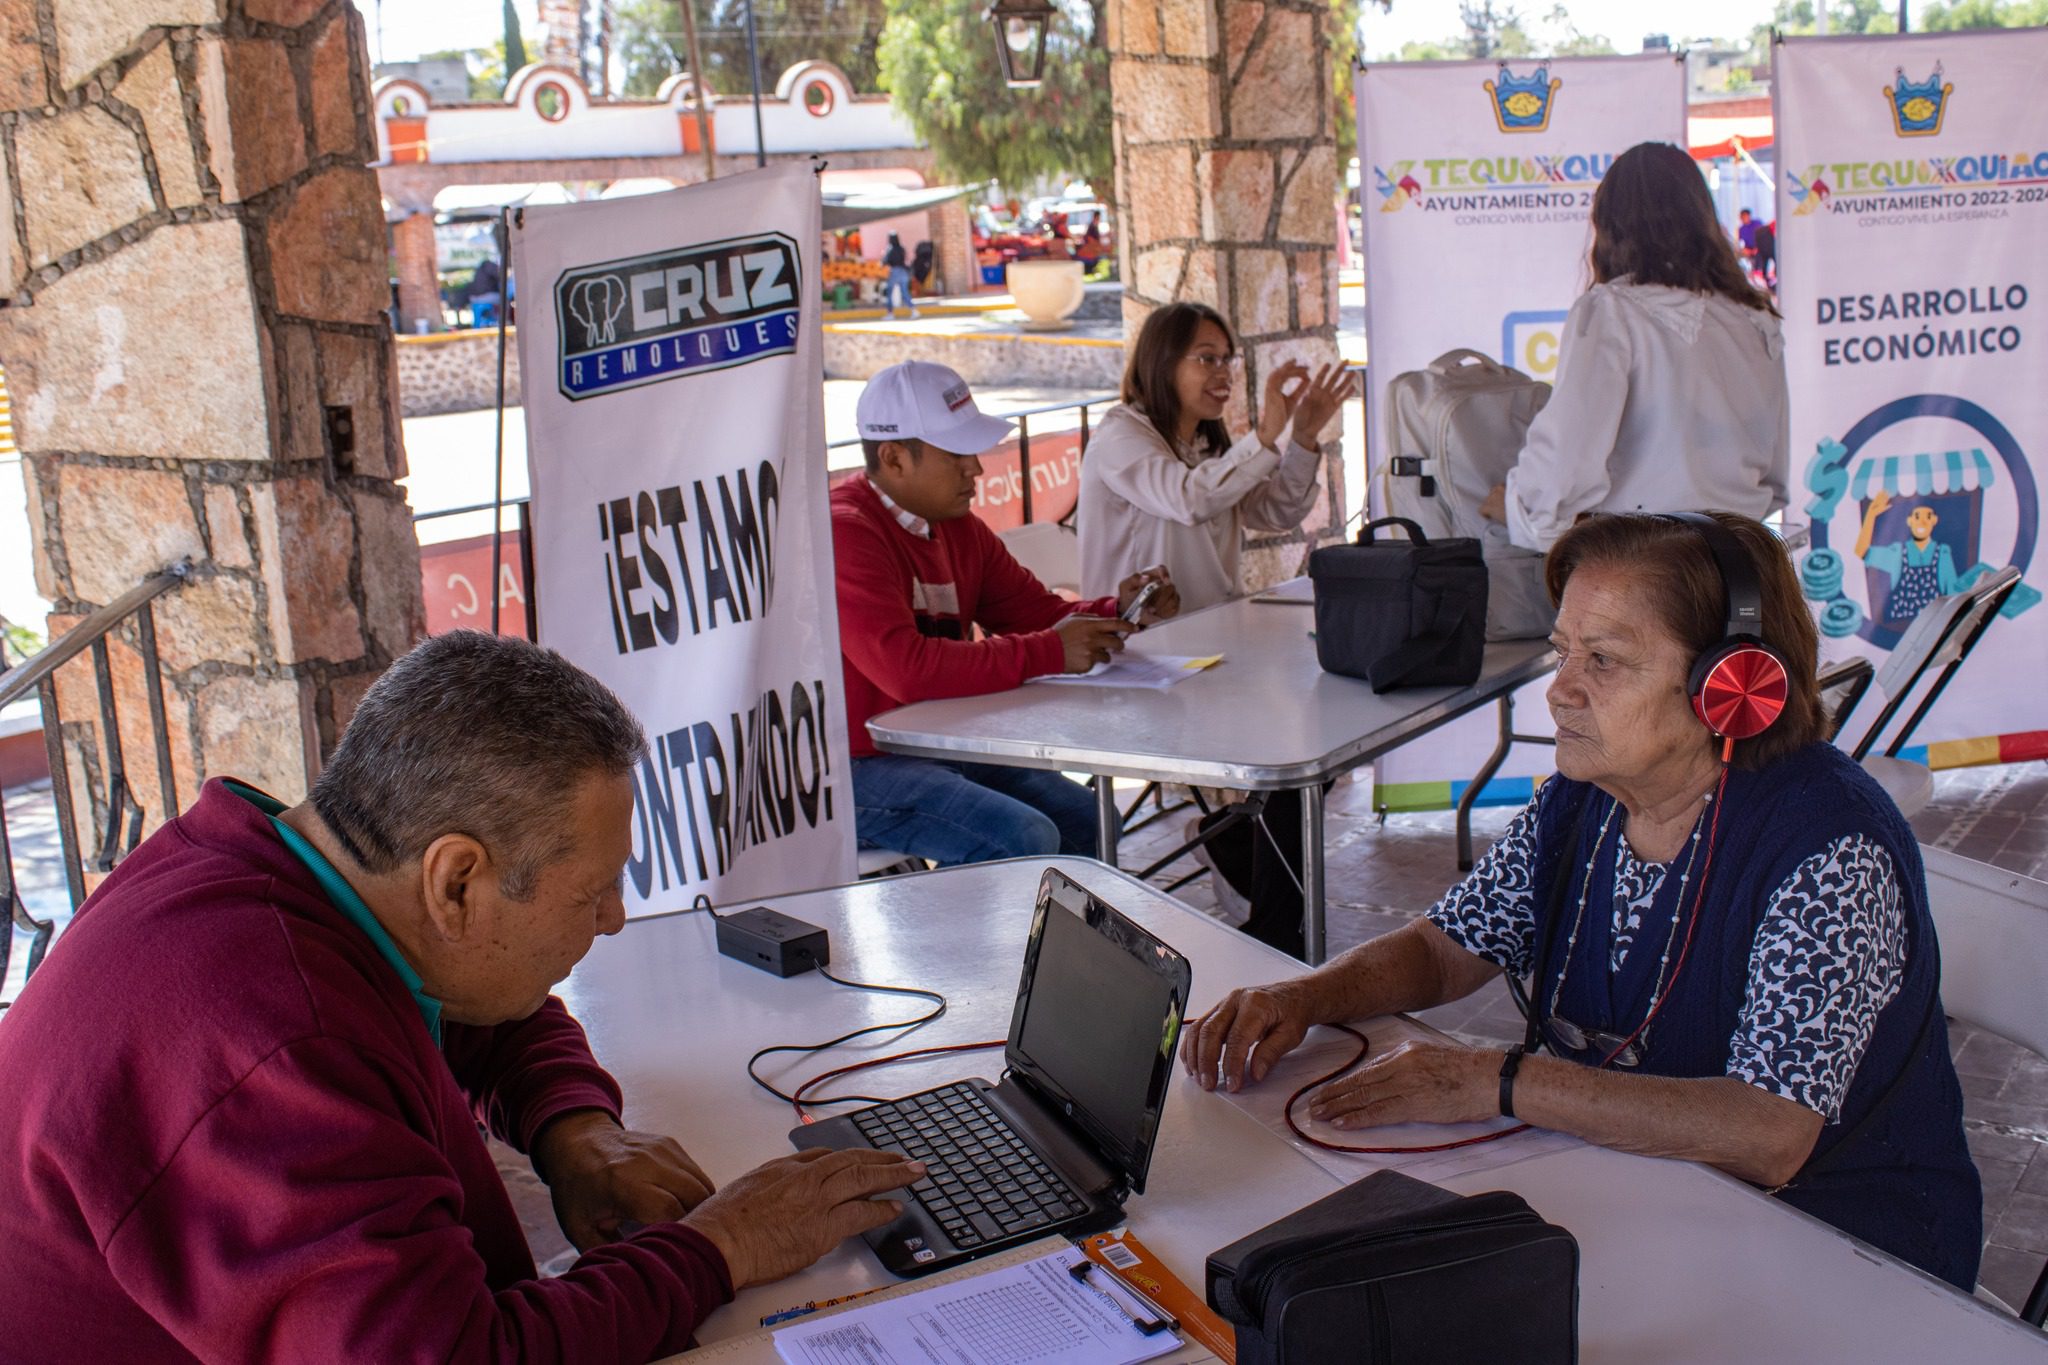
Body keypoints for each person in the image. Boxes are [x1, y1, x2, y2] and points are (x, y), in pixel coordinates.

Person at [0, 631, 923, 1362]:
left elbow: (480, 1001)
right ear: (455, 882)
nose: (610, 920)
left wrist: (575, 1131)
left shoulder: (302, 881)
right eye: (589, 889)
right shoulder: (269, 1044)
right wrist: (719, 1247)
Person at [1183, 511, 1981, 1290]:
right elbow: (1445, 947)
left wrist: (1496, 1079)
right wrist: (1304, 996)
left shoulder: (1829, 849)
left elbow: (1768, 1132)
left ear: (1729, 684)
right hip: (1650, 1199)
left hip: (1845, 1256)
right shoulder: (1585, 797)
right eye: (1564, 651)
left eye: (1602, 660)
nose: (1560, 690)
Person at [1076, 301, 1350, 957]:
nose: (1223, 371)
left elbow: (1276, 508)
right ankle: (1275, 924)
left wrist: (1303, 437)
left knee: (1328, 722)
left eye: (1228, 358)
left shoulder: (1207, 440)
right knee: (1298, 745)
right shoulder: (1122, 436)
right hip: (1137, 662)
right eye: (1206, 357)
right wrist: (1265, 435)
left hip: (1209, 652)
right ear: (1159, 362)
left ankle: (1236, 847)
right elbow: (1188, 496)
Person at [836, 360, 1178, 867]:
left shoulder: (955, 525)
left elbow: (1034, 613)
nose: (976, 468)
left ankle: (1055, 946)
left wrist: (1119, 609)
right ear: (893, 458)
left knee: (1089, 820)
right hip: (845, 769)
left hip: (931, 742)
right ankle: (968, 948)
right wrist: (1051, 650)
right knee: (1021, 837)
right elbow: (906, 669)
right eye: (956, 453)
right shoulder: (845, 529)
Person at [1480, 142, 1789, 553]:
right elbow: (1774, 476)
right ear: (1702, 216)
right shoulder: (1753, 316)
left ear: (1609, 222)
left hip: (1646, 567)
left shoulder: (1614, 311)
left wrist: (1519, 508)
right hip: (1742, 560)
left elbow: (1566, 461)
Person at [883, 232, 917, 319]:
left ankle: (890, 314)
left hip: (894, 271)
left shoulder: (890, 249)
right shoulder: (901, 248)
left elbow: (886, 261)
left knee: (889, 293)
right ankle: (913, 311)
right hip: (903, 271)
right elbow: (905, 259)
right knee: (905, 292)